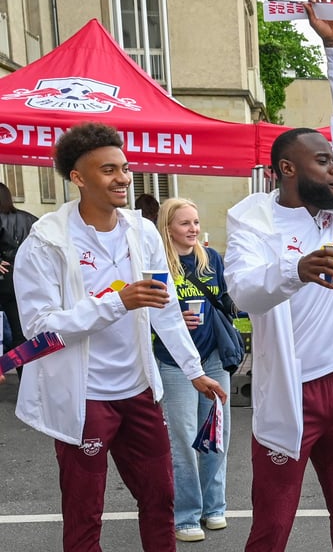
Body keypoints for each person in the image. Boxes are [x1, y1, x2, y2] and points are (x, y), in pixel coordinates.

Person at [12, 121, 225, 551]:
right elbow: (41, 330)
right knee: (84, 510)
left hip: (139, 389)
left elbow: (161, 304)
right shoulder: (46, 241)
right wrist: (116, 302)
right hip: (84, 394)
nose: (123, 178)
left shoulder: (141, 230)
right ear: (78, 177)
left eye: (124, 168)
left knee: (160, 498)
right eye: (108, 170)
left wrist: (194, 370)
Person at [223, 0, 333, 551]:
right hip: (290, 391)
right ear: (288, 169)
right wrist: (296, 270)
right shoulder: (252, 220)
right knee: (272, 526)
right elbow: (242, 293)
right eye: (323, 160)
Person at [153, 198, 233, 542]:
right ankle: (186, 514)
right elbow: (143, 314)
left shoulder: (211, 259)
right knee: (184, 439)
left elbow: (228, 301)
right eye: (185, 223)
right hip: (174, 362)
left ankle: (214, 507)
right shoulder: (157, 264)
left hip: (213, 356)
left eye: (196, 222)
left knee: (217, 434)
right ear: (167, 227)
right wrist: (171, 324)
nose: (193, 229)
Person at [0, 182, 38, 360]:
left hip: (5, 281)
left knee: (16, 331)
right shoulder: (29, 218)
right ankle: (27, 373)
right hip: (27, 279)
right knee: (24, 330)